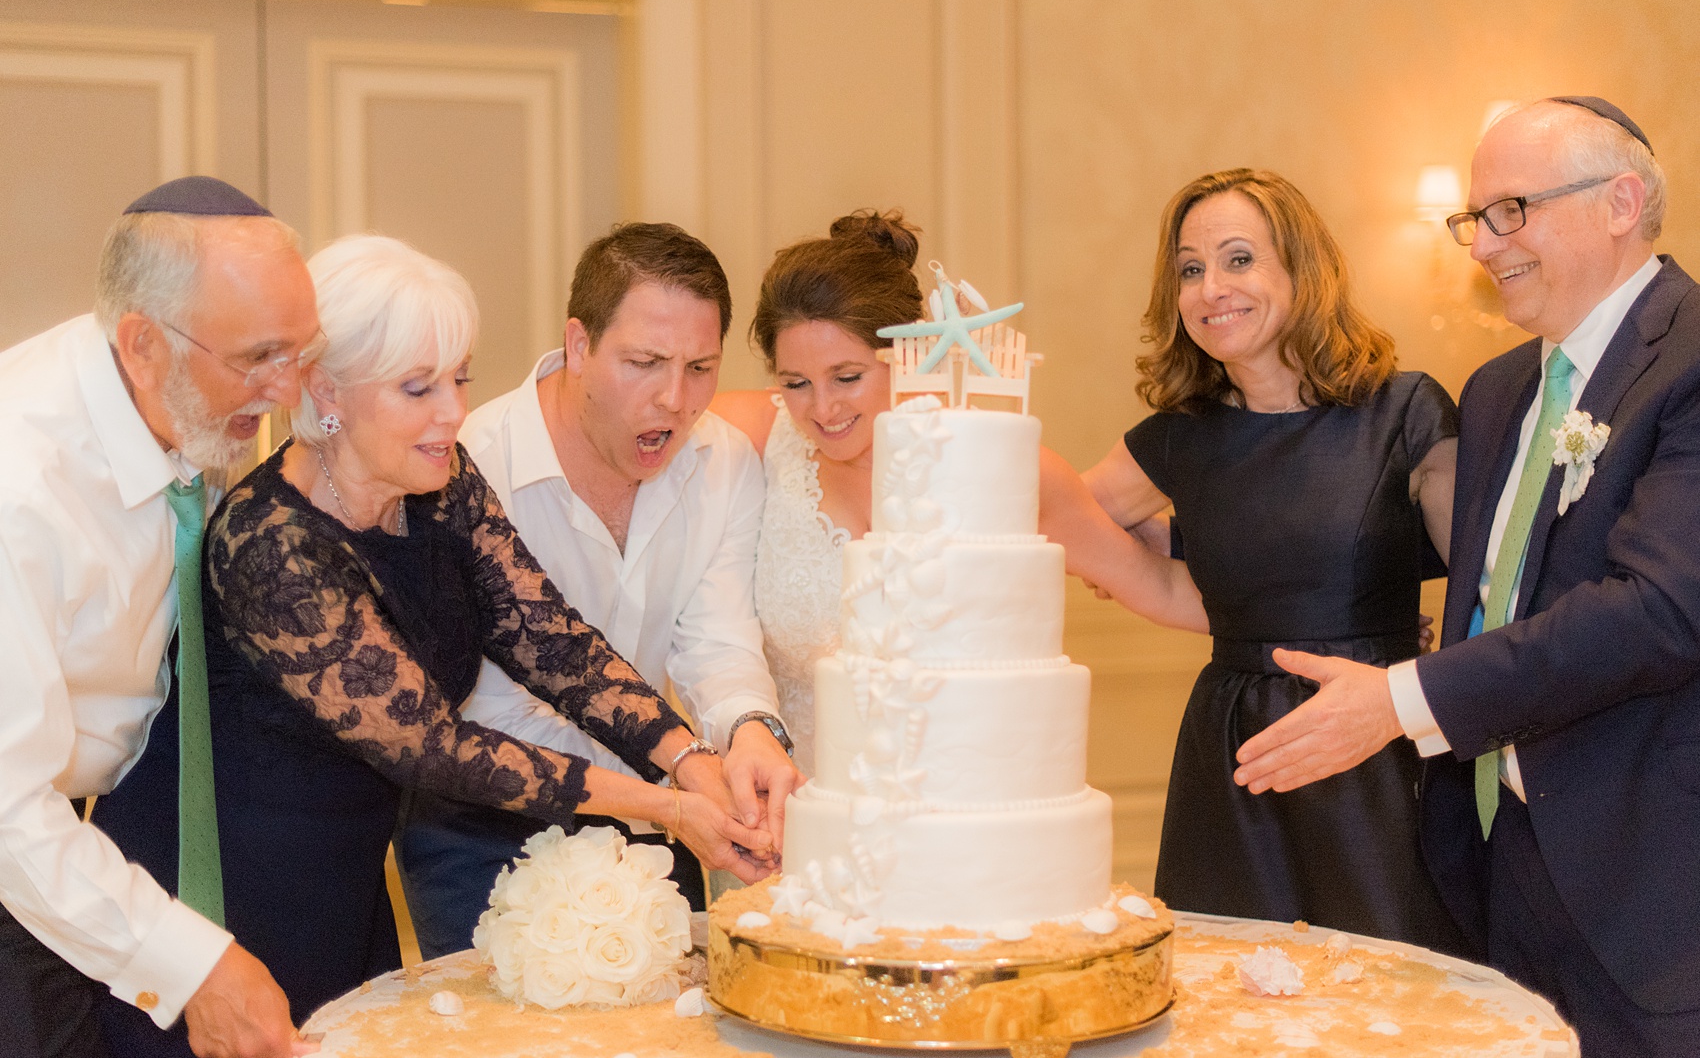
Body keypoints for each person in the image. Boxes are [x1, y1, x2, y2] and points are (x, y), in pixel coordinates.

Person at [93, 234, 771, 1054]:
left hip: (344, 882)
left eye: (459, 378)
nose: (452, 411)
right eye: (418, 387)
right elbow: (434, 747)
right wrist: (668, 807)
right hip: (220, 897)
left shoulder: (439, 480)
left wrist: (692, 759)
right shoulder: (270, 543)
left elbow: (550, 639)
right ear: (324, 389)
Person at [1234, 98, 1700, 1054]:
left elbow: (1658, 610)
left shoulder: (1690, 358)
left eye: (1510, 210)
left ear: (1621, 202)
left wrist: (1398, 699)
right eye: (1475, 220)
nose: (1483, 246)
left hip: (1652, 886)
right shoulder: (1496, 393)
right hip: (1496, 864)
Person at [1080, 168, 1466, 953]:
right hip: (1230, 754)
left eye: (1238, 259)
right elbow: (1069, 520)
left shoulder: (1407, 409)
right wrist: (1155, 549)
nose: (1211, 288)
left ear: (1302, 267)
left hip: (1372, 749)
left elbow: (1493, 589)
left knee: (1390, 998)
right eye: (1191, 268)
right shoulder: (1179, 434)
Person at [394, 222, 798, 959]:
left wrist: (747, 733)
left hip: (666, 814)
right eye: (644, 362)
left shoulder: (723, 462)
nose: (676, 399)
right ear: (579, 345)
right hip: (483, 825)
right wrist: (682, 780)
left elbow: (717, 638)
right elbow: (494, 698)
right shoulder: (469, 465)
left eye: (701, 366)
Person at [0, 177, 321, 1058]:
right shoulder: (19, 486)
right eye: (258, 357)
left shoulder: (173, 398)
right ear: (142, 342)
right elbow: (7, 809)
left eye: (300, 352)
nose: (285, 389)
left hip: (82, 848)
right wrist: (192, 966)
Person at [713, 211, 1205, 773]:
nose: (822, 409)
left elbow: (1164, 589)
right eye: (795, 383)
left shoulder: (1003, 470)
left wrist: (1321, 632)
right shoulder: (749, 436)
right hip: (783, 820)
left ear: (909, 351)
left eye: (847, 377)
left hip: (959, 817)